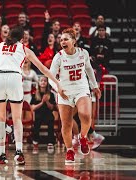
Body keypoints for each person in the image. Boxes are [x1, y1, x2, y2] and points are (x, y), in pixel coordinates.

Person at [0, 26, 67, 165]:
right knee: (17, 118)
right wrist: (57, 82)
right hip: (14, 78)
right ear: (21, 39)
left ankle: (1, 154)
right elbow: (43, 68)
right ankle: (19, 152)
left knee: (1, 119)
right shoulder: (24, 49)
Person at [49, 28, 101, 164]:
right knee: (66, 124)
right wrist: (57, 87)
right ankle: (70, 150)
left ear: (73, 41)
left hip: (81, 88)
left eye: (66, 39)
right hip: (64, 91)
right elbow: (50, 78)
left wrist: (95, 86)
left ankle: (83, 137)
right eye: (61, 40)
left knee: (85, 115)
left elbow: (89, 69)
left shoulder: (83, 53)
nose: (62, 42)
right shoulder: (59, 56)